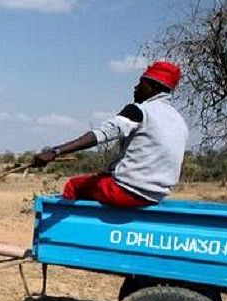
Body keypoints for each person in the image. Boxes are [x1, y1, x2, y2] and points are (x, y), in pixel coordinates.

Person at [32, 61, 189, 208]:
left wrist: (55, 152)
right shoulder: (179, 120)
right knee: (100, 178)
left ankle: (71, 233)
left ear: (153, 86)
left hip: (127, 191)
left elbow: (101, 135)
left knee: (74, 186)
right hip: (156, 196)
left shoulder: (139, 110)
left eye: (141, 83)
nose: (135, 88)